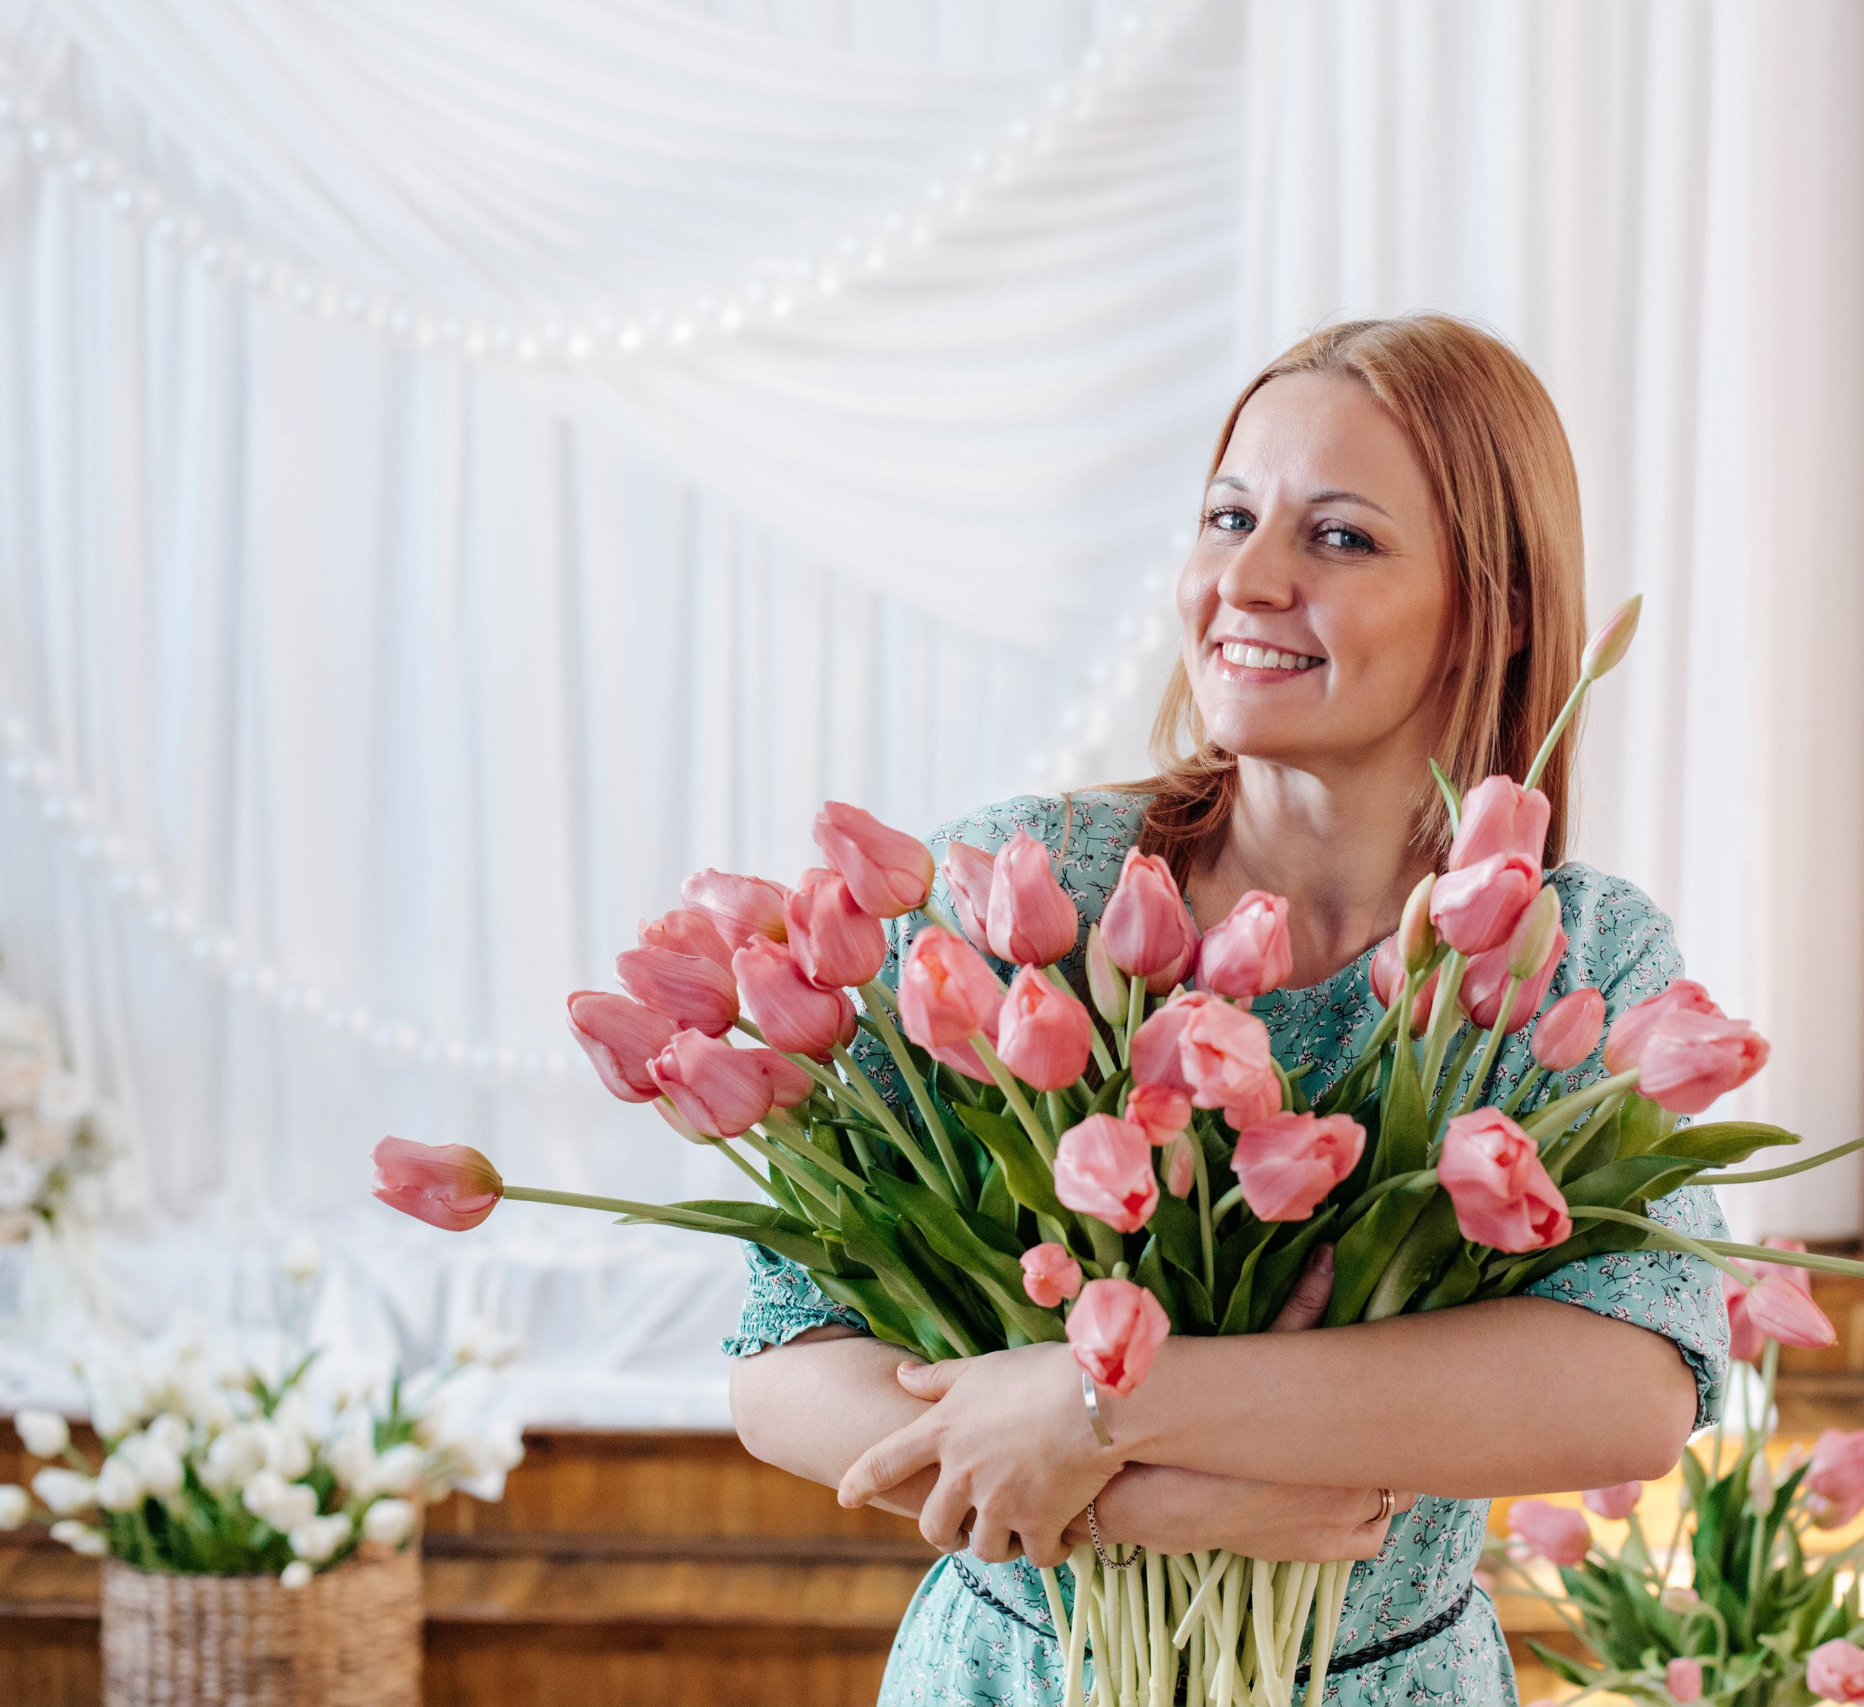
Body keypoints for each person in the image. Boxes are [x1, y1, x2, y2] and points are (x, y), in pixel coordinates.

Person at [727, 314, 1728, 1704]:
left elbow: (1632, 1389)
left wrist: (1106, 1405)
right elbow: (783, 1366)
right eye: (1229, 516)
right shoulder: (1027, 896)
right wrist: (1171, 1502)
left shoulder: (1576, 955)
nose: (1245, 580)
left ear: (1488, 606)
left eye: (1339, 538)